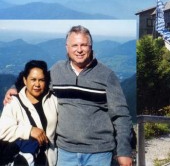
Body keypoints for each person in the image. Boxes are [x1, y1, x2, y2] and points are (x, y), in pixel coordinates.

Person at [4, 25, 134, 166]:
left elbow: (121, 116)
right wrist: (15, 88)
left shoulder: (107, 76)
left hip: (99, 153)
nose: (79, 50)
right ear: (67, 48)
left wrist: (124, 151)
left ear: (91, 47)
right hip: (65, 153)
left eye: (83, 45)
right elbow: (37, 81)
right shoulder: (58, 71)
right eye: (74, 45)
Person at [0, 60, 58, 166]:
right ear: (25, 80)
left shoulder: (52, 99)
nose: (37, 84)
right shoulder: (13, 103)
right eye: (33, 80)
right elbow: (2, 131)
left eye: (41, 80)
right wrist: (29, 130)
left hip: (50, 161)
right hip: (26, 161)